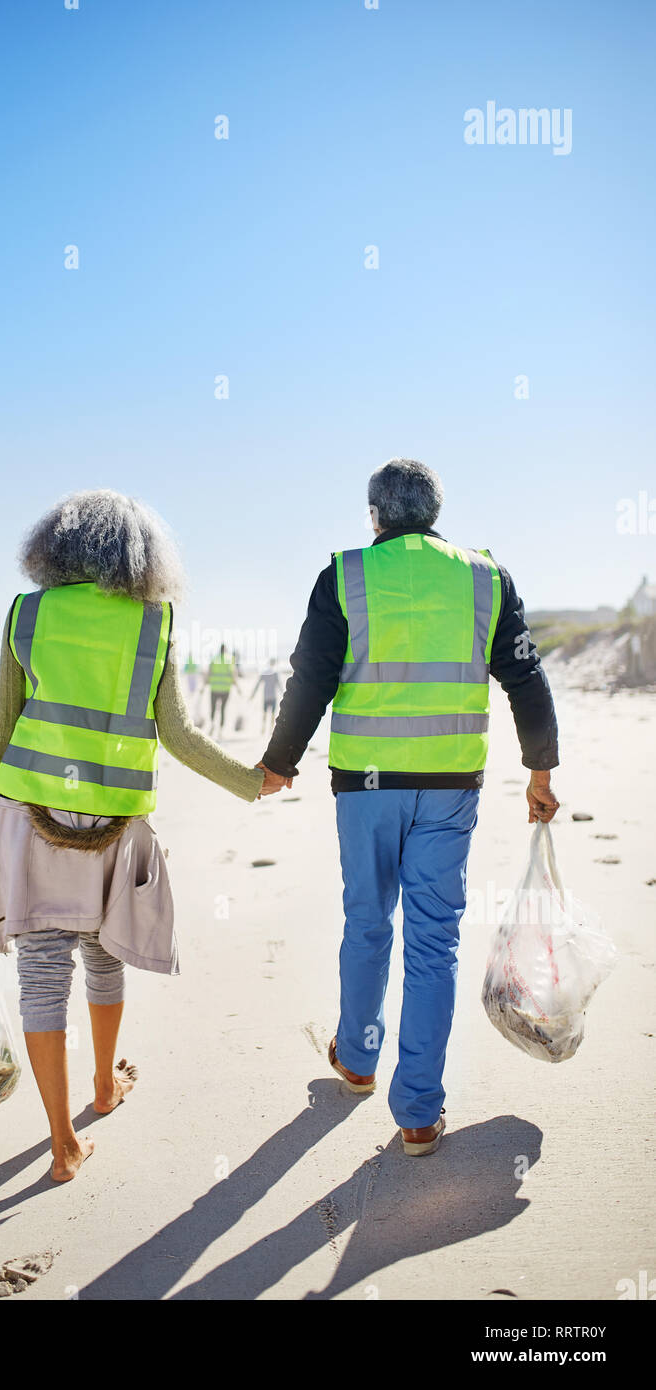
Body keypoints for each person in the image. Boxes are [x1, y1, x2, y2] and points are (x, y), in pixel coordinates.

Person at [0, 490, 282, 1183]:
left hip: (27, 815)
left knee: (41, 977)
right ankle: (102, 1086)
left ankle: (63, 1142)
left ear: (54, 547)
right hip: (114, 826)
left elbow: (0, 724)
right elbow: (178, 734)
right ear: (142, 555)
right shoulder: (156, 622)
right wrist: (253, 781)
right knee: (103, 960)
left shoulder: (27, 614)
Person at [257, 458, 560, 1157]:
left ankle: (359, 1061)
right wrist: (539, 773)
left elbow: (310, 679)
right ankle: (419, 1112)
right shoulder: (486, 579)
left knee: (367, 921)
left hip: (364, 787)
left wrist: (280, 762)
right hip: (450, 787)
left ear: (374, 516)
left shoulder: (346, 575)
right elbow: (527, 678)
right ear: (435, 512)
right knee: (435, 941)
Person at [204, 644, 239, 734]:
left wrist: (204, 685)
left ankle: (212, 724)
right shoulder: (230, 659)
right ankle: (220, 729)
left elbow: (208, 672)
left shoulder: (214, 659)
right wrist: (238, 687)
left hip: (214, 688)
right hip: (225, 689)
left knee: (213, 708)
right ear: (226, 650)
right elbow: (234, 674)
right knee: (223, 709)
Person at [251, 658, 283, 734]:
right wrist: (284, 694)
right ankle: (270, 730)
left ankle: (263, 728)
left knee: (264, 713)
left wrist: (252, 695)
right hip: (273, 697)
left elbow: (258, 684)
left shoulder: (265, 673)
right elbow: (279, 686)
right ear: (274, 664)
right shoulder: (275, 674)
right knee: (272, 714)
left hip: (266, 696)